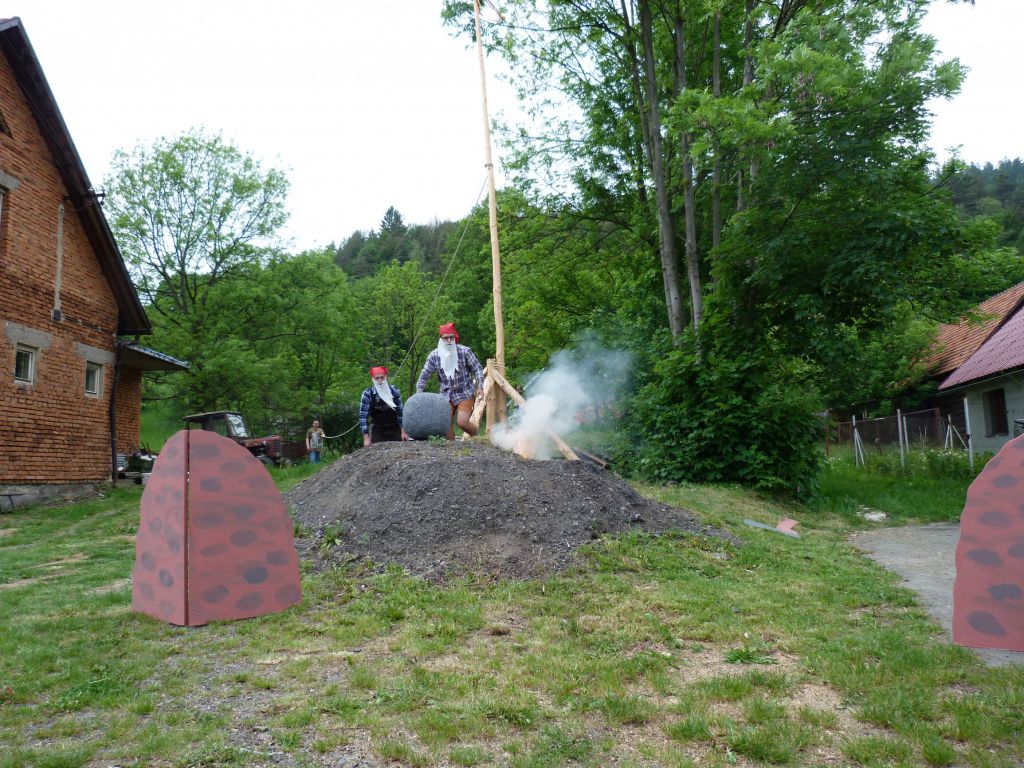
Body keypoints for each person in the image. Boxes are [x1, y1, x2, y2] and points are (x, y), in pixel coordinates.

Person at [416, 322, 485, 440]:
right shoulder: (434, 356)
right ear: (441, 339)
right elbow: (424, 375)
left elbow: (477, 368)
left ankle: (478, 438)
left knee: (462, 422)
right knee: (445, 423)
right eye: (445, 338)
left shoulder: (464, 352)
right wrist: (419, 391)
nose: (449, 340)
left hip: (464, 392)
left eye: (451, 337)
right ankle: (451, 448)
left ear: (455, 338)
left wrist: (480, 386)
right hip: (446, 393)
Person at [360, 366, 410, 446]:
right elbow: (363, 417)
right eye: (377, 378)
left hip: (395, 428)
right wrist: (366, 438)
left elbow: (401, 412)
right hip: (378, 430)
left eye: (382, 377)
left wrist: (403, 431)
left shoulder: (394, 391)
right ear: (373, 379)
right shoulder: (367, 394)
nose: (380, 380)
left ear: (386, 377)